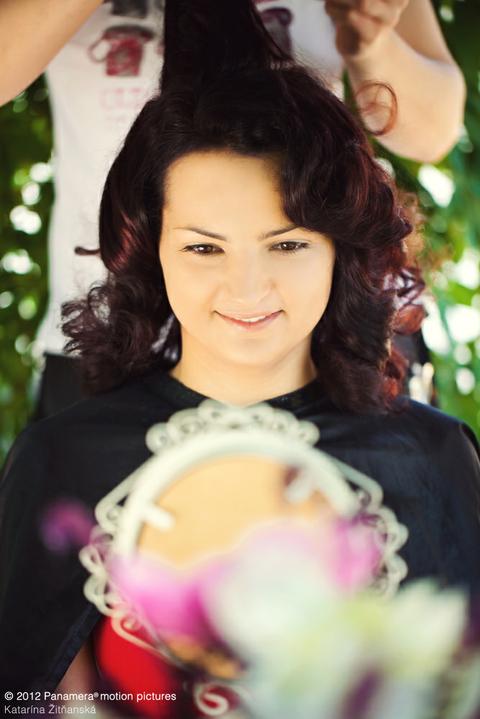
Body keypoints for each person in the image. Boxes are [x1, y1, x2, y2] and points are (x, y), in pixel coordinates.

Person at [1, 0, 479, 713]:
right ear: (150, 246)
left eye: (287, 244)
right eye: (204, 247)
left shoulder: (431, 458)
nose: (247, 287)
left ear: (338, 247)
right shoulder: (63, 457)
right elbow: (23, 693)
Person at [0, 0, 466, 418]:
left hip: (319, 333)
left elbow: (432, 133)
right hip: (118, 324)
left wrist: (373, 42)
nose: (246, 290)